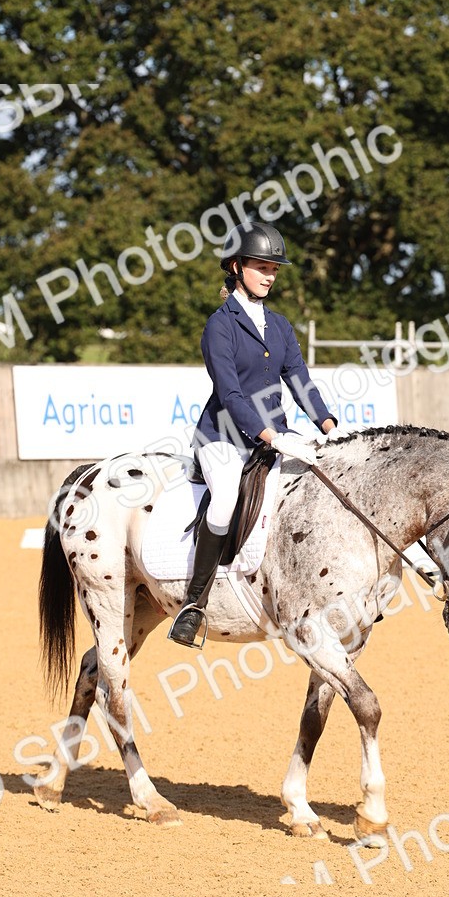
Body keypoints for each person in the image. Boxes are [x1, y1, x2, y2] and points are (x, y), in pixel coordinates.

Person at [168, 221, 339, 648]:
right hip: (224, 437)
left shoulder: (279, 325)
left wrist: (327, 424)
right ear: (236, 265)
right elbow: (230, 393)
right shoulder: (219, 326)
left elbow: (300, 380)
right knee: (225, 498)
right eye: (261, 266)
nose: (269, 275)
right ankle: (194, 605)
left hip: (274, 435)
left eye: (274, 269)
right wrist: (271, 436)